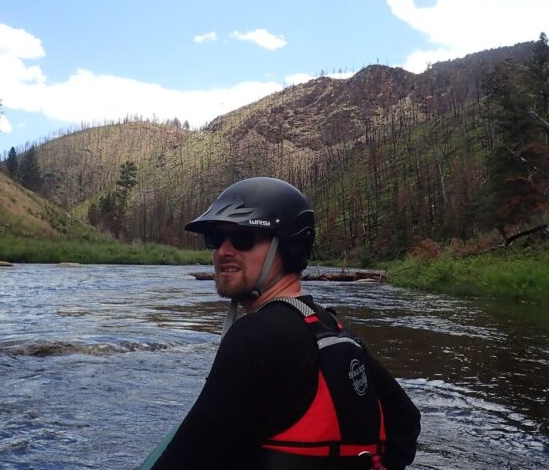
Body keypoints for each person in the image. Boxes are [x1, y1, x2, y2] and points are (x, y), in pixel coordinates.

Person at [151, 177, 420, 470]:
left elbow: (186, 458)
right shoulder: (331, 325)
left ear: (290, 248)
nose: (223, 251)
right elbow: (405, 422)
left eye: (243, 238)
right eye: (215, 238)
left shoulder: (254, 336)